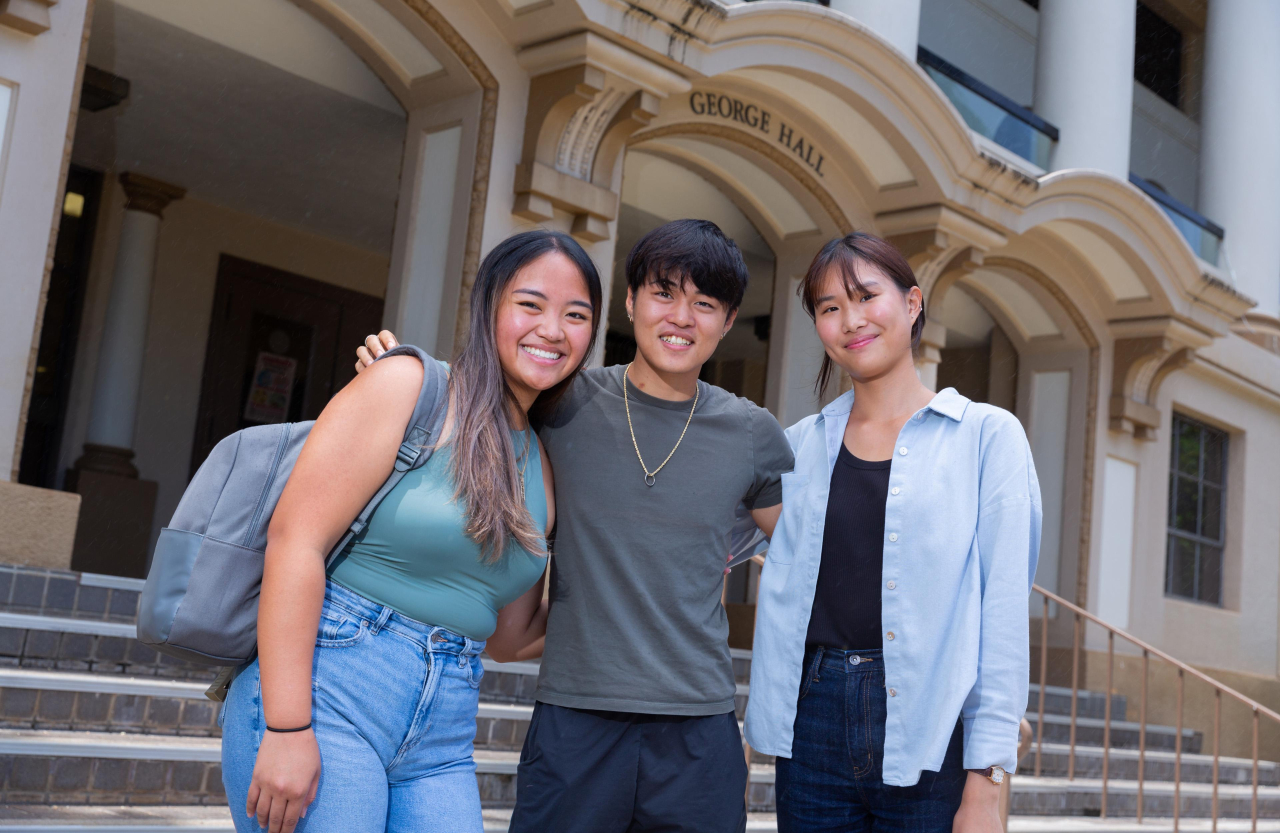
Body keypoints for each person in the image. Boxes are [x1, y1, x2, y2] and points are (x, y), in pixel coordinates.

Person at [358, 218, 794, 833]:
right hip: (573, 723)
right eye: (664, 293)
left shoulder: (753, 433)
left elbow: (811, 556)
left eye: (705, 304)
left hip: (698, 731)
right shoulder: (561, 404)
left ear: (728, 320)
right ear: (630, 301)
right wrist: (392, 372)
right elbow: (471, 405)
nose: (681, 317)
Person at [220, 229, 604, 833]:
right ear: (489, 308)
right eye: (530, 304)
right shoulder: (409, 386)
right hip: (330, 687)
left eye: (575, 315)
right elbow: (296, 541)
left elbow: (509, 636)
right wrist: (287, 727)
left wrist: (645, 592)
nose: (553, 330)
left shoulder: (544, 464)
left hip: (443, 729)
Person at [744, 232, 1042, 833]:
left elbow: (1003, 612)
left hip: (933, 720)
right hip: (814, 716)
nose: (850, 320)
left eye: (865, 296)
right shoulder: (797, 447)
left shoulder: (986, 436)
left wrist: (988, 780)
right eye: (829, 308)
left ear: (911, 304)